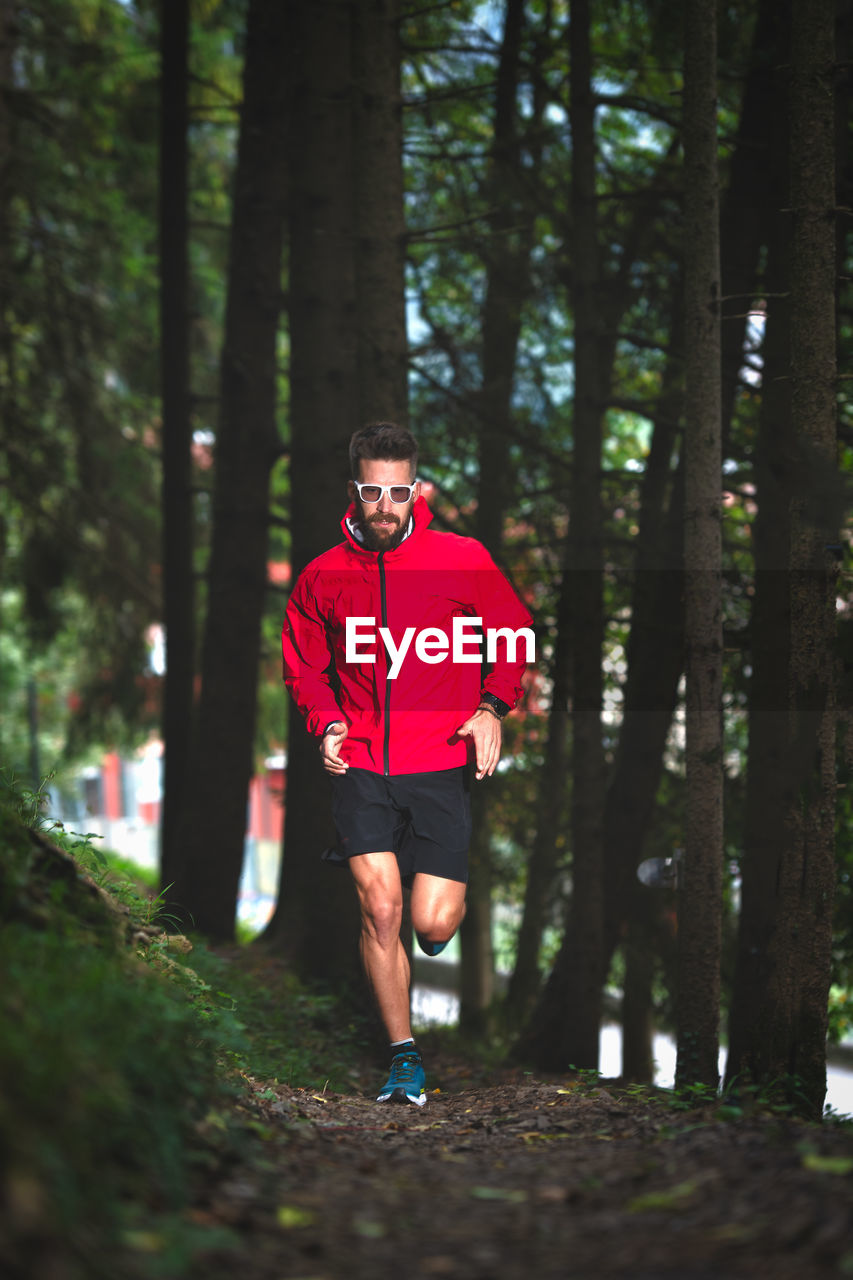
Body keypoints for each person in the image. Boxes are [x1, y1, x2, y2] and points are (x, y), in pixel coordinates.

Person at [281, 422, 532, 1106]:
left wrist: (491, 707)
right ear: (354, 491)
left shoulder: (462, 558)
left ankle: (435, 926)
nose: (385, 505)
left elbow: (512, 634)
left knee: (431, 924)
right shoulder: (323, 576)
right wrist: (326, 721)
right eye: (372, 492)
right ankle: (403, 1060)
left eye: (398, 491)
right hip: (360, 765)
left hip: (438, 763)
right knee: (381, 910)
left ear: (415, 489)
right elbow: (305, 665)